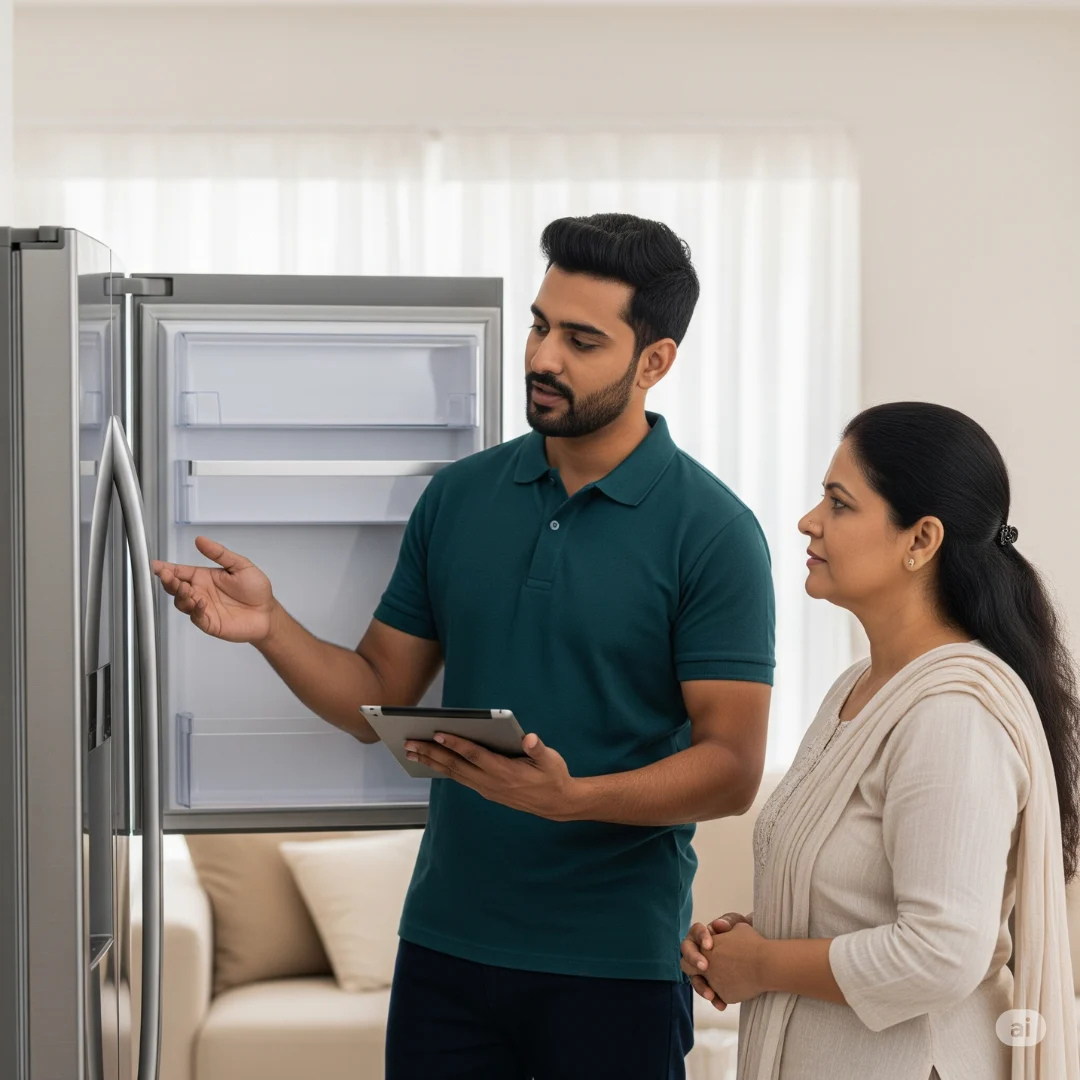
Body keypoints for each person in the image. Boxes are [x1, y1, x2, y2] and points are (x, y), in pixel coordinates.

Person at [153, 213, 777, 1080]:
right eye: (539, 323)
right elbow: (375, 687)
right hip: (445, 951)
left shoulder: (714, 534)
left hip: (614, 965)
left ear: (654, 362)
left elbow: (733, 767)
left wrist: (571, 797)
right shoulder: (460, 498)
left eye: (580, 339)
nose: (542, 356)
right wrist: (269, 627)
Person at [681, 401, 1080, 1080]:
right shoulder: (856, 689)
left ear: (920, 540)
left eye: (839, 503)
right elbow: (855, 903)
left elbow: (941, 952)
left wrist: (766, 964)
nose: (809, 520)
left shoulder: (952, 716)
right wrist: (744, 940)